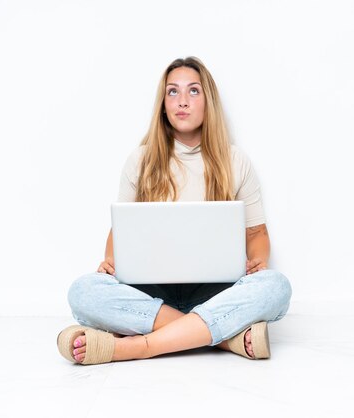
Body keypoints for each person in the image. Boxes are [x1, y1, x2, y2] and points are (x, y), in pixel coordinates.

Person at [56, 56, 292, 365]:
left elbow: (257, 233)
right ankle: (225, 338)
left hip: (215, 291)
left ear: (208, 101)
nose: (182, 101)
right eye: (172, 92)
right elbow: (119, 231)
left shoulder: (235, 160)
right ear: (163, 104)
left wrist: (258, 261)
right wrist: (110, 263)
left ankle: (139, 346)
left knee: (276, 287)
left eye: (193, 91)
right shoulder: (140, 160)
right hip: (151, 292)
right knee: (83, 292)